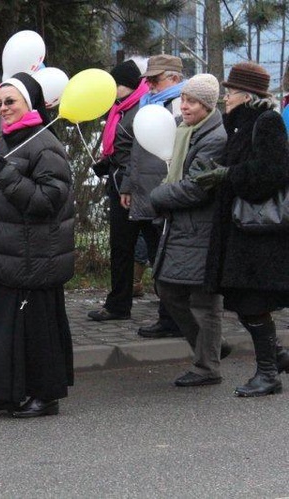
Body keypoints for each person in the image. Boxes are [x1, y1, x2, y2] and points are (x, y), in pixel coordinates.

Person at [0, 72, 75, 418]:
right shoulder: (7, 140)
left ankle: (45, 395)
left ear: (29, 103)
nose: (2, 109)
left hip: (34, 259)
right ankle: (4, 392)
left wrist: (7, 176)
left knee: (36, 331)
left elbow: (49, 200)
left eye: (10, 102)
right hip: (5, 255)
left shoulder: (45, 144)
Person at [201, 62, 289, 397]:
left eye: (231, 91)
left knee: (252, 301)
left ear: (247, 95)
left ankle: (268, 373)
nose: (226, 98)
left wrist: (227, 176)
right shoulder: (237, 124)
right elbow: (240, 164)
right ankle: (276, 356)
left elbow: (271, 173)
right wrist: (215, 170)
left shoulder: (268, 122)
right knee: (241, 299)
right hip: (239, 229)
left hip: (258, 232)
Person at [149, 74, 227, 387]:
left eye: (192, 101)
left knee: (204, 301)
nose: (184, 106)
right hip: (183, 227)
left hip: (202, 229)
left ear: (207, 105)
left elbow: (197, 189)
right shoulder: (187, 131)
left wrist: (157, 196)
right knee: (168, 289)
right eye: (183, 99)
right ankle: (210, 349)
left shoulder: (214, 139)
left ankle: (208, 366)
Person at [120, 54, 186, 338]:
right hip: (145, 194)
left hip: (166, 195)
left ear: (174, 78)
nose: (150, 86)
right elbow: (136, 152)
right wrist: (127, 185)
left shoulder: (179, 106)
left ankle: (174, 319)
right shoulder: (148, 105)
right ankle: (169, 316)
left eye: (155, 80)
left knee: (167, 260)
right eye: (148, 80)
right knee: (158, 260)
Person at [87, 59, 151, 322]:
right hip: (118, 183)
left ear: (129, 86)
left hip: (137, 187)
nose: (112, 90)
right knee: (120, 247)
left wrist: (126, 182)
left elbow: (140, 153)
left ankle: (172, 305)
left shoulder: (143, 109)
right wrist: (105, 163)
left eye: (116, 85)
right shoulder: (119, 109)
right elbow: (119, 149)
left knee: (152, 244)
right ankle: (118, 304)